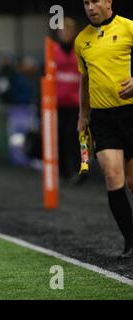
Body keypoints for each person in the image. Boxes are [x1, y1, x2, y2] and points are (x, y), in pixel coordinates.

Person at [75, 0, 133, 258]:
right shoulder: (81, 40)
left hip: (130, 113)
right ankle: (131, 240)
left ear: (108, 2)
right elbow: (84, 80)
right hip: (102, 118)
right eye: (86, 2)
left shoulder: (129, 28)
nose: (90, 7)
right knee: (112, 177)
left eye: (95, 1)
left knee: (132, 181)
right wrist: (82, 115)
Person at [53, 17, 81, 181]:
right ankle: (63, 171)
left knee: (75, 137)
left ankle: (79, 169)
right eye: (63, 30)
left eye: (69, 30)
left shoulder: (80, 49)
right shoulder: (52, 51)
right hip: (57, 104)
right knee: (60, 138)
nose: (66, 33)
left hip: (76, 103)